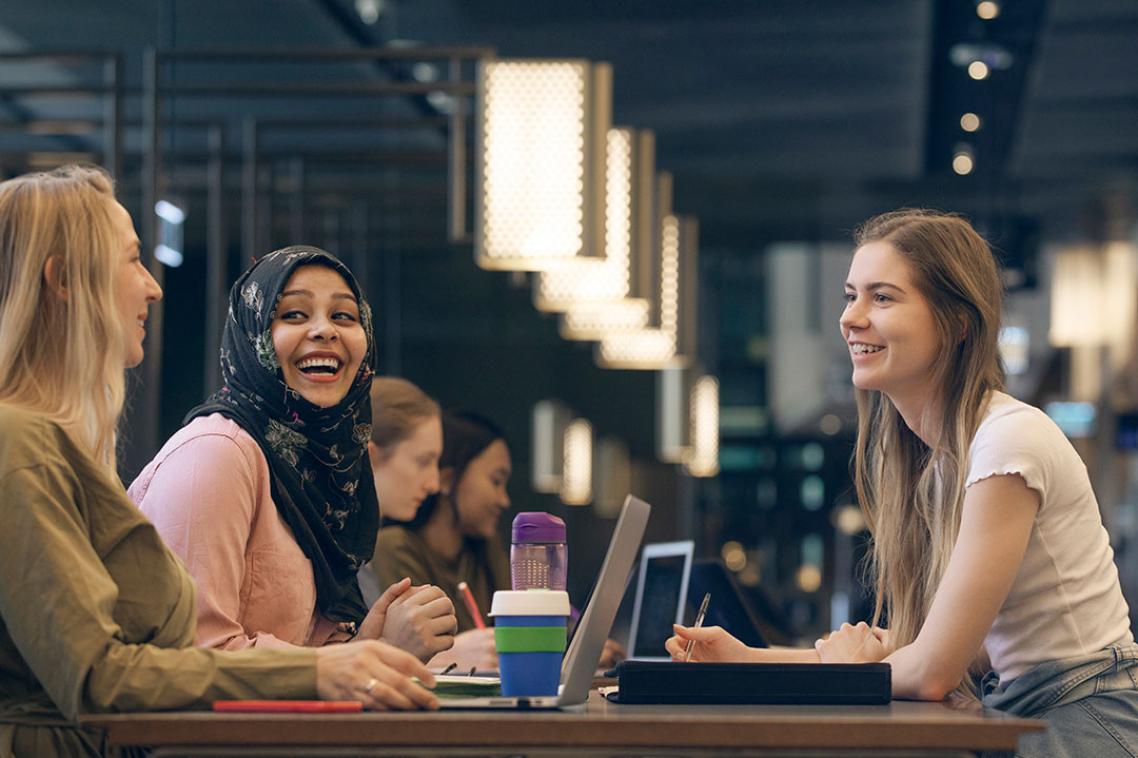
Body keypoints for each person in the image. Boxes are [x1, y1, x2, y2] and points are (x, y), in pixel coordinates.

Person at [667, 209, 1137, 757]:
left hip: (1084, 721)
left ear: (958, 323)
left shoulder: (1008, 442)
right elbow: (920, 652)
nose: (851, 318)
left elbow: (931, 672)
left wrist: (850, 672)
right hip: (1022, 709)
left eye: (883, 298)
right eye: (850, 296)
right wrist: (747, 660)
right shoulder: (941, 463)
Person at [0, 166, 437, 755]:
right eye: (132, 259)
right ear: (63, 282)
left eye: (344, 316)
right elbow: (102, 676)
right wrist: (316, 673)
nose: (153, 286)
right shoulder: (24, 443)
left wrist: (348, 657)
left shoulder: (50, 442)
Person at [130, 247, 456, 663]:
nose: (325, 330)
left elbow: (299, 657)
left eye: (343, 316)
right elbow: (193, 656)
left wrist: (362, 646)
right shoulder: (215, 454)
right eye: (294, 315)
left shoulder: (314, 469)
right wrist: (373, 653)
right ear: (253, 336)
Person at [372, 411, 511, 670]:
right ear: (448, 479)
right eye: (496, 481)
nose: (504, 500)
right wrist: (455, 654)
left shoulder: (484, 551)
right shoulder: (394, 546)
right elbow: (409, 648)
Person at [357, 376, 444, 604]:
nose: (434, 484)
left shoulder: (362, 549)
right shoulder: (337, 555)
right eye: (423, 462)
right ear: (370, 458)